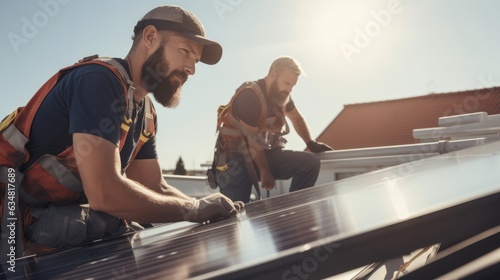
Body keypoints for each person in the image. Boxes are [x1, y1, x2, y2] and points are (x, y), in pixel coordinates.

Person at [0, 5, 243, 255]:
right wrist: (194, 209)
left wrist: (204, 206)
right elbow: (104, 193)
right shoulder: (97, 80)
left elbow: (155, 187)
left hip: (47, 216)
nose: (192, 69)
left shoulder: (146, 113)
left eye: (196, 60)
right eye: (185, 52)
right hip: (10, 224)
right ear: (150, 37)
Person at [212, 56, 333, 203]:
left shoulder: (282, 96)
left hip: (263, 153)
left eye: (293, 85)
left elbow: (296, 118)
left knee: (310, 163)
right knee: (233, 212)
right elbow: (253, 141)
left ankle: (294, 211)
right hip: (235, 162)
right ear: (273, 74)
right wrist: (265, 171)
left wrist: (310, 142)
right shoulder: (249, 95)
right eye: (287, 83)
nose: (289, 89)